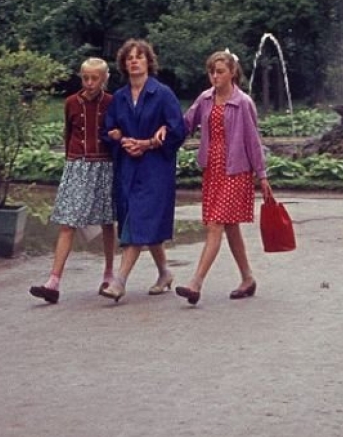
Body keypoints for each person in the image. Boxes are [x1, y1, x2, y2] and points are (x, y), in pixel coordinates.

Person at [176, 49, 272, 306]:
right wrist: (162, 133)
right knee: (230, 226)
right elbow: (185, 124)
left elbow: (253, 141)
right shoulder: (205, 99)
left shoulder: (243, 102)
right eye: (211, 71)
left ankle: (196, 283)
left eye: (219, 72)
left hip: (236, 170)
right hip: (213, 168)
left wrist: (262, 175)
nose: (214, 76)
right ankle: (248, 278)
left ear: (232, 73)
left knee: (217, 223)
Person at [99, 39, 186, 303]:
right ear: (124, 64)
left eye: (140, 57)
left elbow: (178, 129)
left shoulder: (162, 94)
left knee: (137, 221)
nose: (134, 61)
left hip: (155, 168)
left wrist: (150, 142)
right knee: (140, 222)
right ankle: (164, 273)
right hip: (128, 167)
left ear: (149, 61)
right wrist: (121, 140)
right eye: (129, 58)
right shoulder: (120, 97)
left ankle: (119, 282)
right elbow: (107, 130)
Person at [29, 57, 116, 304]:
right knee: (68, 221)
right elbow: (68, 133)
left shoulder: (111, 103)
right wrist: (72, 161)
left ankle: (109, 273)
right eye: (85, 77)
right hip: (77, 166)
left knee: (108, 220)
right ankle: (53, 281)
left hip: (104, 165)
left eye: (94, 78)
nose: (89, 83)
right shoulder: (70, 103)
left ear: (104, 79)